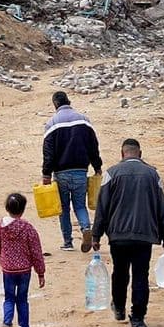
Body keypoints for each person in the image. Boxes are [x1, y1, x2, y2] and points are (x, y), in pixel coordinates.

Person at [92, 139, 164, 327]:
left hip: (118, 235)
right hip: (144, 235)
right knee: (140, 277)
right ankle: (137, 319)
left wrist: (96, 234)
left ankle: (119, 307)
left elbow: (102, 207)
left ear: (122, 153)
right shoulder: (153, 174)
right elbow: (162, 206)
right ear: (140, 153)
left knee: (119, 273)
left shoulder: (111, 173)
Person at [42, 91, 103, 252]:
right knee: (80, 206)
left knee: (63, 208)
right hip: (81, 172)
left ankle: (68, 242)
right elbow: (93, 146)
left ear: (55, 104)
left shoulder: (51, 123)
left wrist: (46, 174)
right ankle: (85, 229)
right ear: (69, 101)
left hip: (61, 173)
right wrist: (97, 166)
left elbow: (48, 153)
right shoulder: (84, 120)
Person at [0, 193, 46, 327]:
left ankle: (7, 322)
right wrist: (40, 272)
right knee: (22, 300)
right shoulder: (27, 228)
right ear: (22, 210)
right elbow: (36, 251)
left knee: (9, 298)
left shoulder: (0, 226)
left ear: (6, 208)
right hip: (24, 270)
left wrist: (0, 260)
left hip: (8, 269)